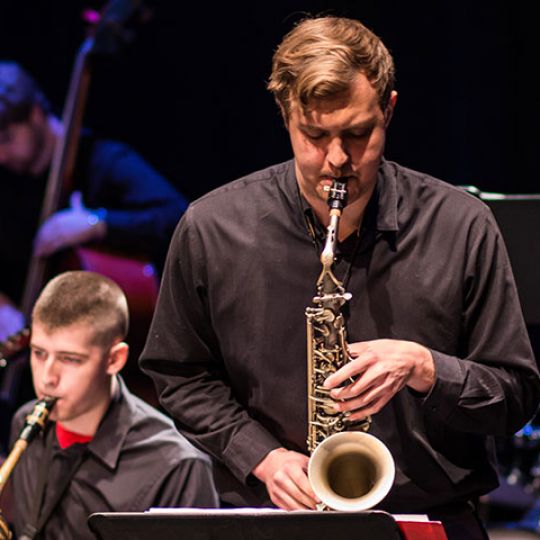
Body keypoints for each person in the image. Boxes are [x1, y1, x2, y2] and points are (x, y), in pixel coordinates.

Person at [139, 15, 540, 539]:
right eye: (314, 135)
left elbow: (516, 394)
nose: (336, 160)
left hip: (429, 522)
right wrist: (259, 456)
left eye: (357, 134)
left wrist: (425, 367)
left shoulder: (459, 224)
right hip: (275, 519)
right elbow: (178, 373)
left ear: (389, 111)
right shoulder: (214, 227)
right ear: (285, 116)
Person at [4, 270, 218, 540]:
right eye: (39, 353)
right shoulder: (25, 422)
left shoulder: (177, 465)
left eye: (70, 359)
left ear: (115, 359)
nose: (48, 378)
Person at [0, 61, 188, 341]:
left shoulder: (103, 161)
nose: (1, 156)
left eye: (6, 138)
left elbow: (178, 217)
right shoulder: (7, 182)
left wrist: (98, 224)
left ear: (36, 114)